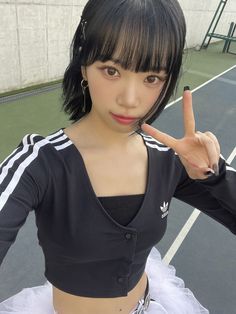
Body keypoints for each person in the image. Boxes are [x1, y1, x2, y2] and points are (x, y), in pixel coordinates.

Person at [0, 0, 235, 313]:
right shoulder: (40, 163)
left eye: (151, 78)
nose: (130, 99)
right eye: (111, 70)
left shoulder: (168, 161)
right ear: (84, 65)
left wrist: (215, 175)